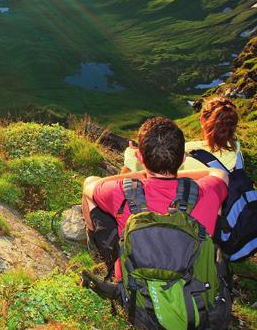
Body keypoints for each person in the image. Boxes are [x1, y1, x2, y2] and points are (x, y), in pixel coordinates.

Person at [82, 116, 229, 277]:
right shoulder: (208, 191)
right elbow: (219, 173)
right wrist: (175, 172)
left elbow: (89, 187)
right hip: (194, 289)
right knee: (217, 209)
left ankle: (95, 248)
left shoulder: (121, 191)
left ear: (140, 157)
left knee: (91, 186)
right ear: (183, 159)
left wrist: (141, 174)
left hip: (133, 285)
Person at [121, 97, 241, 174]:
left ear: (202, 120)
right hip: (226, 206)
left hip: (189, 207)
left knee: (128, 170)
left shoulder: (192, 155)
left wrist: (131, 155)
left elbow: (154, 172)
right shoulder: (236, 148)